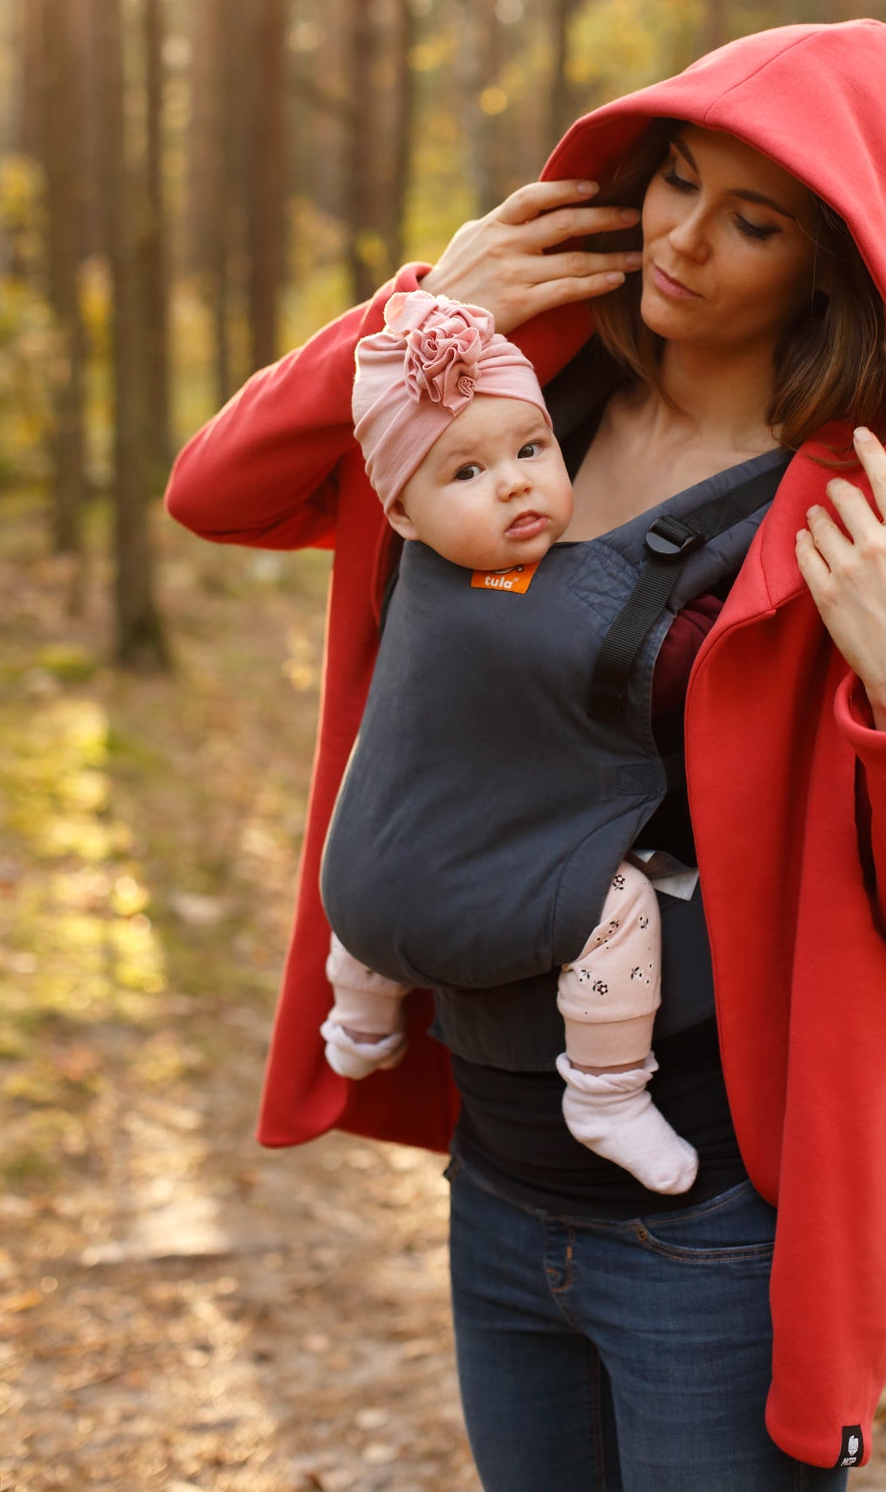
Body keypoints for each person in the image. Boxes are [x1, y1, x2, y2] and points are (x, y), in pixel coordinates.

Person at [164, 19, 886, 1488]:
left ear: (833, 264)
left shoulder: (884, 512)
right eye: (674, 180)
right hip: (500, 1185)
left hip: (708, 1227)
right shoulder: (513, 401)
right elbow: (219, 489)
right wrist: (417, 313)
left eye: (750, 221)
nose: (682, 241)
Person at [319, 284, 702, 1196]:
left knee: (375, 855)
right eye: (466, 474)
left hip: (369, 883)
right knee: (618, 908)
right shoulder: (506, 588)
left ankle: (361, 1023)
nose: (516, 482)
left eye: (532, 449)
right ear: (402, 519)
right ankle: (607, 1092)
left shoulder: (431, 570)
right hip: (462, 877)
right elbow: (587, 633)